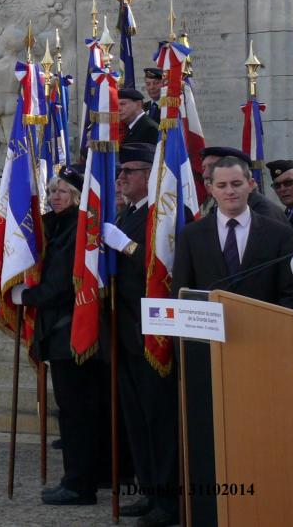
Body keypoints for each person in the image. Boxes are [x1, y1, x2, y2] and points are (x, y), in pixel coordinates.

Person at [14, 168, 108, 506]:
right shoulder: (56, 227)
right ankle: (81, 478)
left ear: (78, 197)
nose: (55, 197)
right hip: (60, 333)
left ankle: (79, 485)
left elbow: (60, 286)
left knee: (75, 412)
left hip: (72, 334)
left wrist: (25, 297)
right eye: (52, 191)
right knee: (72, 411)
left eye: (62, 192)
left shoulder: (75, 231)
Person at [99, 143, 179, 527]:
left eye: (130, 170)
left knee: (160, 418)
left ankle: (168, 500)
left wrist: (125, 245)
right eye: (121, 171)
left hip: (154, 332)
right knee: (137, 419)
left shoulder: (158, 211)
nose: (121, 177)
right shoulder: (126, 212)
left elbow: (162, 260)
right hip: (127, 330)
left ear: (150, 173)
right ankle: (149, 491)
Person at [173, 154, 293, 310]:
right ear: (211, 189)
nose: (230, 191)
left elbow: (291, 293)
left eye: (236, 184)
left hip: (264, 330)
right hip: (210, 331)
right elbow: (181, 292)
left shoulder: (279, 233)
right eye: (222, 185)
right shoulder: (191, 235)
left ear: (250, 185)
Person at [200, 146, 288, 223]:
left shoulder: (262, 212)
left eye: (212, 166)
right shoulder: (218, 208)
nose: (205, 174)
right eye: (204, 168)